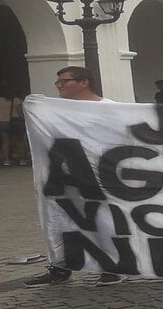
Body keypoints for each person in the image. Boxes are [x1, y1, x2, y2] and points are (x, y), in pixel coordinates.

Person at [24, 66, 121, 287]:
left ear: (84, 82)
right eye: (57, 82)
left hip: (99, 176)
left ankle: (113, 266)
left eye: (64, 81)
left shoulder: (110, 109)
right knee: (59, 221)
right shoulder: (57, 110)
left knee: (103, 221)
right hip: (62, 176)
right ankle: (60, 266)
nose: (59, 86)